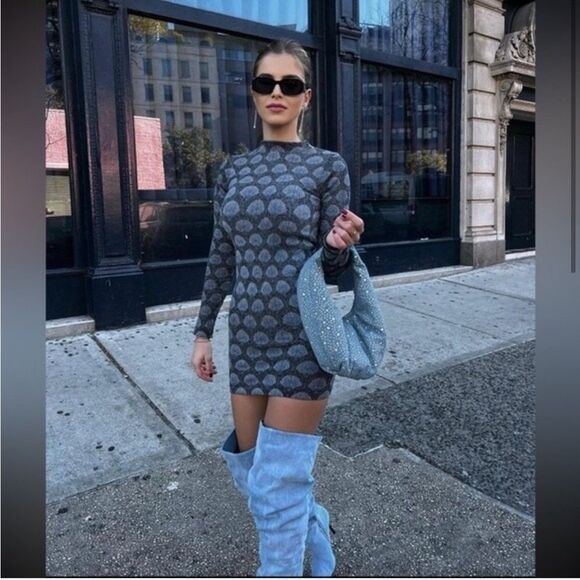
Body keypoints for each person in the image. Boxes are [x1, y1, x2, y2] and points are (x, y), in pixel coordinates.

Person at [191, 38, 365, 577]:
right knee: (252, 472)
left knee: (280, 482)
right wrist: (203, 332)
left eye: (290, 84)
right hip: (248, 339)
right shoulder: (233, 172)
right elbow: (222, 255)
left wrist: (339, 246)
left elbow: (332, 266)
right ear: (253, 92)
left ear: (306, 96)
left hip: (302, 340)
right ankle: (314, 527)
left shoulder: (326, 167)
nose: (277, 92)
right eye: (265, 82)